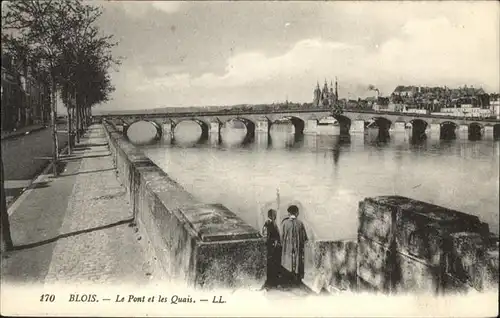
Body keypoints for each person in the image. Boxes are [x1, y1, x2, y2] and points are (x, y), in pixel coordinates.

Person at [281, 205, 308, 285]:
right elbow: (305, 238)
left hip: (288, 248)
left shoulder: (285, 223)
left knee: (288, 262)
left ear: (289, 213)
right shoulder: (300, 223)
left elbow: (281, 238)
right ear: (296, 213)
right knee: (297, 262)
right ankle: (296, 278)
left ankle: (288, 277)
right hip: (297, 248)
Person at [261, 209, 281, 288]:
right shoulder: (268, 223)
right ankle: (271, 282)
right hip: (271, 247)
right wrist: (273, 242)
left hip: (273, 246)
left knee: (273, 264)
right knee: (271, 264)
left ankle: (272, 281)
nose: (275, 216)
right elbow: (266, 235)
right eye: (274, 215)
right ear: (271, 215)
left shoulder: (272, 223)